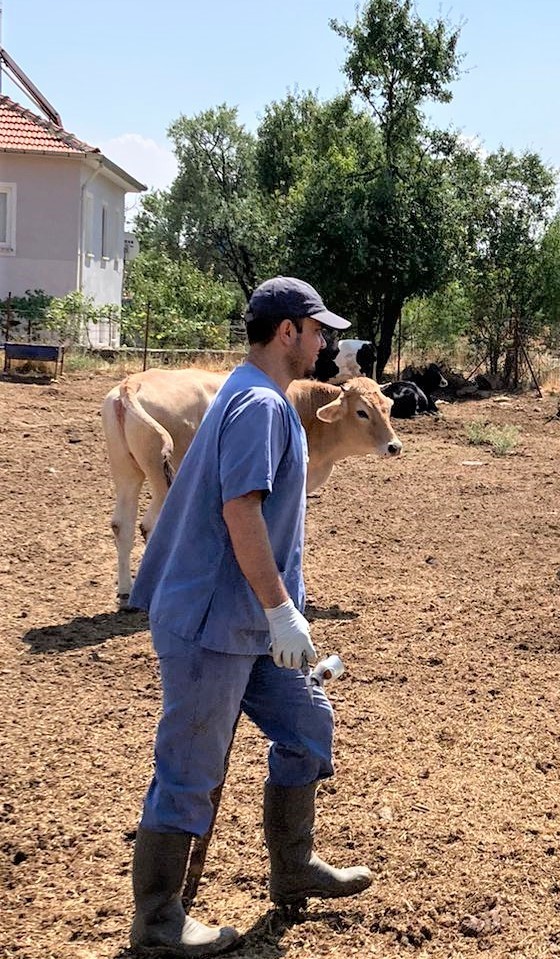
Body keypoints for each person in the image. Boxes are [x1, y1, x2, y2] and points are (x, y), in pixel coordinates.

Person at [127, 277, 373, 956]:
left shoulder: (253, 392)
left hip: (248, 620)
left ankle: (292, 864)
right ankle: (156, 919)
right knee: (190, 766)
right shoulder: (261, 405)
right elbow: (242, 512)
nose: (325, 341)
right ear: (288, 332)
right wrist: (282, 610)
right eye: (317, 329)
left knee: (306, 721)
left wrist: (275, 616)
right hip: (214, 619)